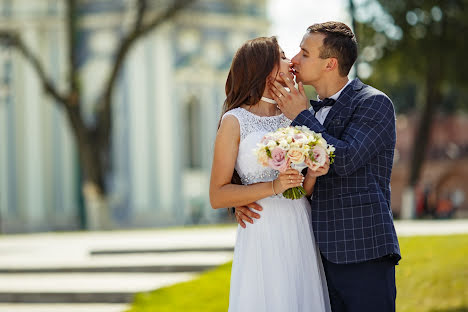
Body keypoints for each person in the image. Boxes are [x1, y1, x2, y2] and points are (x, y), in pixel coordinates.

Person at [235, 22, 401, 312]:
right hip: (311, 256)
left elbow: (345, 158)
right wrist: (243, 200)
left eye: (304, 53)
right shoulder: (304, 111)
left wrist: (301, 115)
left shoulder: (374, 103)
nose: (295, 61)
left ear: (330, 64)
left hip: (362, 253)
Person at [209, 36, 331, 312]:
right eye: (283, 56)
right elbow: (217, 195)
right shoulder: (235, 121)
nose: (291, 63)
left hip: (300, 223)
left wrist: (313, 173)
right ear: (264, 68)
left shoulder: (295, 116)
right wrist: (273, 186)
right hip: (262, 229)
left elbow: (304, 189)